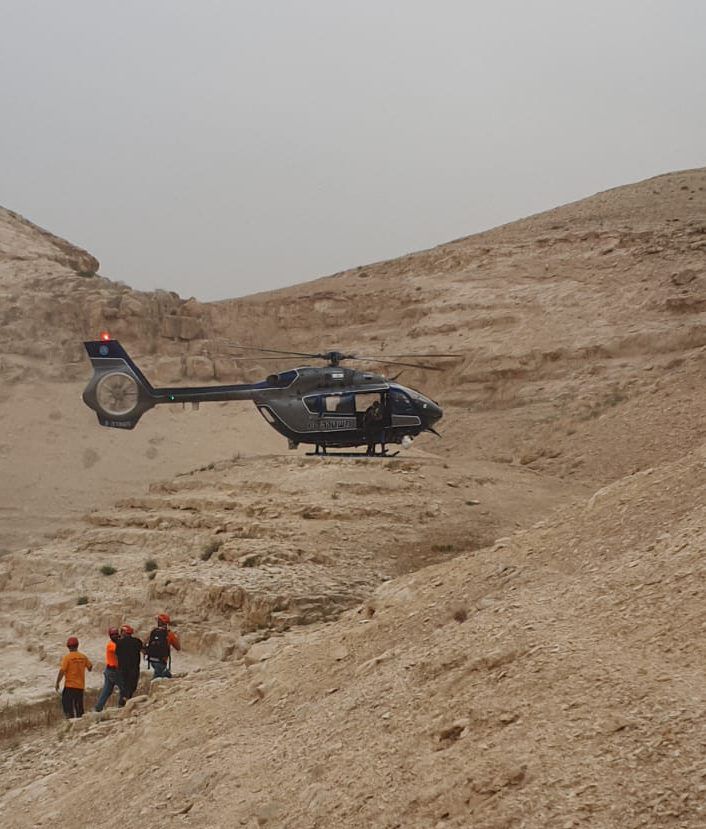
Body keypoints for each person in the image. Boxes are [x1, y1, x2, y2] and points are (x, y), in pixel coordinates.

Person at [55, 636, 93, 719]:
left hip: (70, 686)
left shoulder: (67, 658)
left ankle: (70, 719)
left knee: (67, 703)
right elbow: (90, 667)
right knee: (79, 705)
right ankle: (80, 720)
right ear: (77, 645)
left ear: (68, 647)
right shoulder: (83, 656)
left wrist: (57, 682)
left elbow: (62, 671)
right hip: (80, 686)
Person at [94, 627, 124, 712]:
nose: (115, 636)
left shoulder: (115, 643)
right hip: (113, 671)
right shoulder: (111, 645)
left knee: (107, 691)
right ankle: (122, 706)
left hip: (111, 670)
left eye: (115, 634)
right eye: (113, 635)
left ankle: (98, 708)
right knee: (123, 688)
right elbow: (119, 650)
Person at [144, 613, 181, 678]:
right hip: (161, 661)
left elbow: (145, 644)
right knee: (163, 677)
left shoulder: (154, 631)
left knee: (159, 675)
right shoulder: (169, 634)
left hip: (152, 660)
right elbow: (178, 648)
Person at [116, 624, 143, 704]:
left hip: (123, 669)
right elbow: (142, 649)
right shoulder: (137, 641)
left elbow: (117, 654)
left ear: (124, 632)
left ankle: (123, 703)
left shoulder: (119, 643)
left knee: (124, 689)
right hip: (134, 668)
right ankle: (127, 701)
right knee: (131, 687)